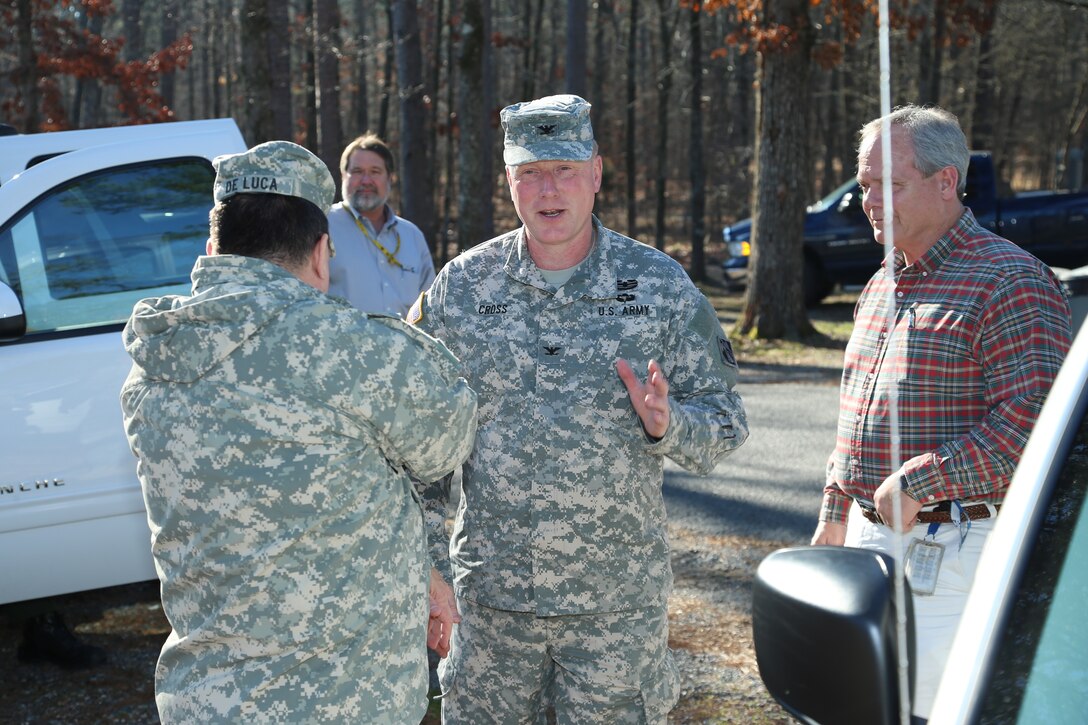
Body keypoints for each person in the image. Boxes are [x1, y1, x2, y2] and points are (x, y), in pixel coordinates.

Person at [409, 94, 749, 724]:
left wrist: (670, 426)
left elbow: (726, 423)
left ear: (596, 173)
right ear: (509, 181)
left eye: (564, 169)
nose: (548, 189)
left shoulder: (658, 286)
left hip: (614, 615)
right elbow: (414, 447)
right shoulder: (461, 289)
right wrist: (431, 568)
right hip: (493, 610)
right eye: (529, 172)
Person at [119, 140, 478, 723]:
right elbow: (446, 441)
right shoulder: (355, 351)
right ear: (320, 253)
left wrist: (422, 572)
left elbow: (293, 510)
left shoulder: (155, 360)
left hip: (207, 703)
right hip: (345, 702)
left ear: (212, 249)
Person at [811, 105, 1072, 720]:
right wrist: (835, 511)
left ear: (946, 180)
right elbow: (857, 416)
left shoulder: (1010, 280)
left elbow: (1035, 426)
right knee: (866, 709)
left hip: (953, 551)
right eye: (866, 183)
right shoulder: (882, 283)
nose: (869, 200)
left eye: (889, 184)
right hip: (869, 543)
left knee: (936, 712)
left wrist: (923, 480)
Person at [327, 134, 435, 317]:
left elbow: (430, 308)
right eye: (357, 171)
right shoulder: (322, 225)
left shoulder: (412, 236)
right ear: (343, 176)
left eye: (375, 171)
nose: (366, 181)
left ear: (390, 178)